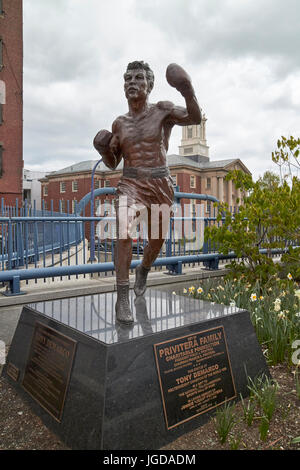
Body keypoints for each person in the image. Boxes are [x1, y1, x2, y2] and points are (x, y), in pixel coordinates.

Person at [94, 61, 201, 324]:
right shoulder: (119, 123)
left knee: (156, 241)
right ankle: (122, 296)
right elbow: (113, 162)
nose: (132, 82)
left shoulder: (162, 111)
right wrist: (102, 148)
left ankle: (143, 269)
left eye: (138, 77)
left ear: (149, 85)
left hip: (160, 183)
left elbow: (194, 118)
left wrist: (187, 89)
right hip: (130, 183)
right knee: (123, 230)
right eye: (127, 78)